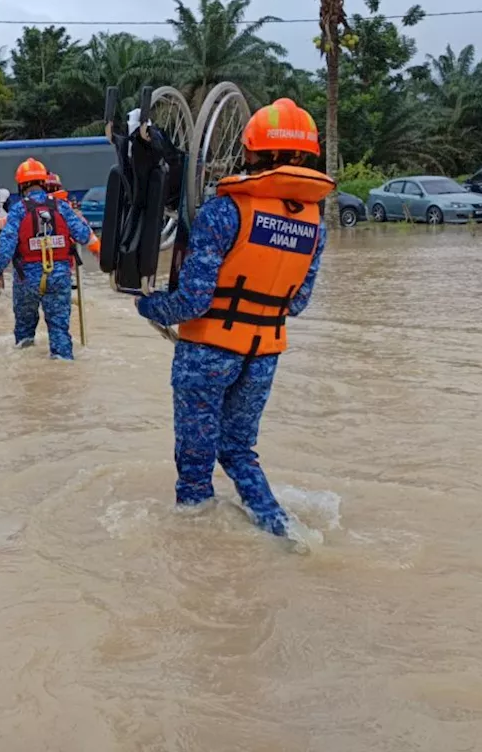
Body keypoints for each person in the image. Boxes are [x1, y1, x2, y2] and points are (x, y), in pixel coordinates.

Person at [133, 99, 334, 537]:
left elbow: (193, 302)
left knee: (195, 463)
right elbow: (296, 303)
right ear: (307, 155)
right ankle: (283, 530)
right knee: (239, 451)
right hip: (263, 355)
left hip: (208, 354)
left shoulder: (226, 211)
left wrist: (149, 306)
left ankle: (198, 547)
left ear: (251, 151)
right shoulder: (316, 222)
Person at [0, 157, 97, 359]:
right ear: (43, 183)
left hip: (26, 279)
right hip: (59, 277)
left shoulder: (18, 210)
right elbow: (84, 236)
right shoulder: (62, 207)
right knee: (60, 332)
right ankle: (63, 368)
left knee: (24, 334)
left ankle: (27, 368)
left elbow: (5, 249)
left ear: (21, 185)